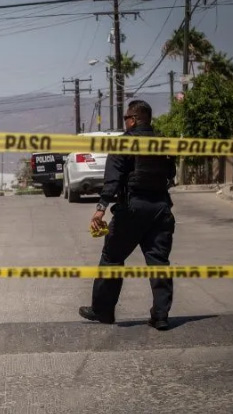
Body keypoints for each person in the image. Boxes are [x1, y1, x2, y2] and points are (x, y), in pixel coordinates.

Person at [79, 100, 177, 331]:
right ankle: (160, 316)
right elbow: (170, 174)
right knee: (159, 263)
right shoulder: (164, 142)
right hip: (161, 208)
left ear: (133, 120)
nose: (125, 122)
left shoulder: (123, 142)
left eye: (126, 118)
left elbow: (112, 180)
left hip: (133, 209)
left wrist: (101, 208)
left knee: (112, 258)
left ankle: (103, 311)